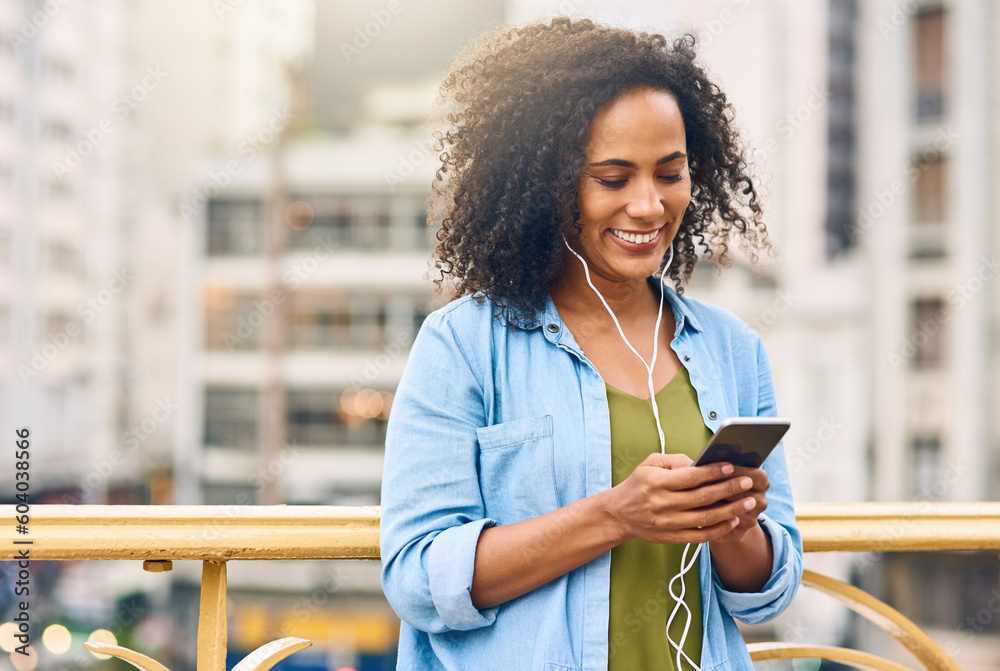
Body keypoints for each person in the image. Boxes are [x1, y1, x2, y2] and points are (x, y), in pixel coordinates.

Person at [380, 17, 802, 671]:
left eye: (670, 173)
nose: (649, 205)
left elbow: (764, 593)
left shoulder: (732, 349)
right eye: (613, 178)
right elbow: (416, 576)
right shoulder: (463, 344)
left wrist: (735, 524)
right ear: (544, 183)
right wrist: (615, 514)